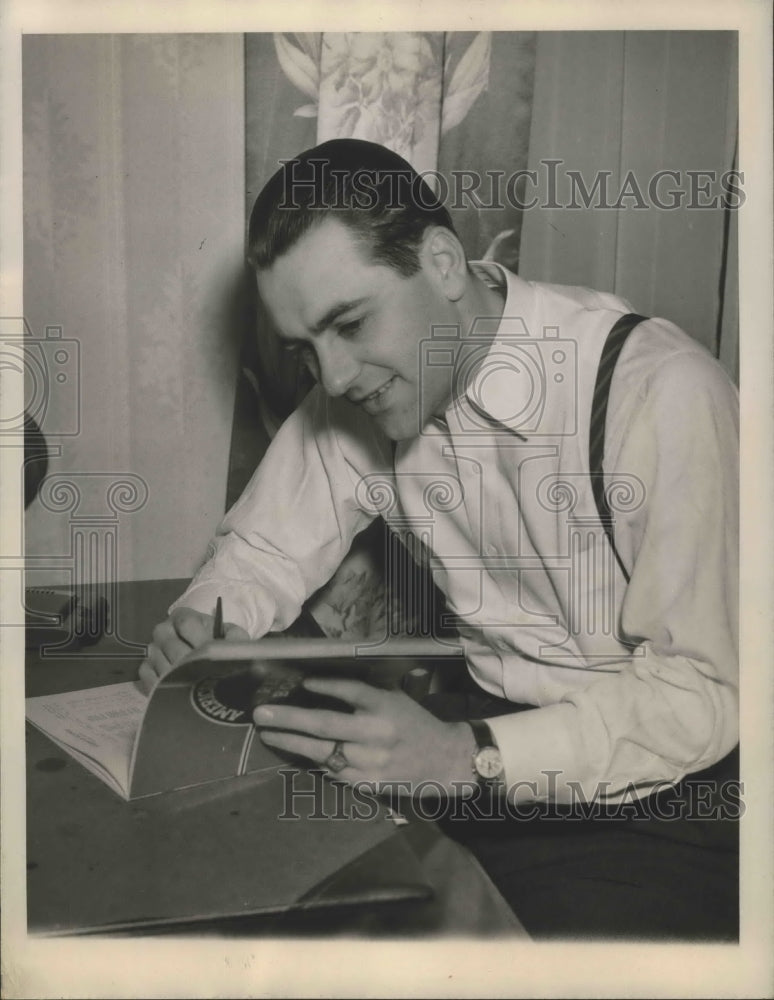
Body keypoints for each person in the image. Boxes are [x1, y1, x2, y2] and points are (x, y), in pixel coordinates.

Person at [138, 138, 739, 939]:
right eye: (305, 349)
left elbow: (705, 692)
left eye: (351, 323)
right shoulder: (367, 389)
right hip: (474, 744)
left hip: (665, 798)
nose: (334, 377)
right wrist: (210, 626)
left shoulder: (659, 393)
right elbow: (264, 549)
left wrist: (466, 756)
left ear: (444, 265)